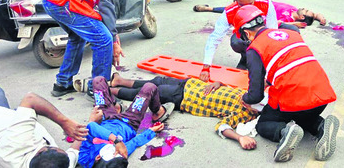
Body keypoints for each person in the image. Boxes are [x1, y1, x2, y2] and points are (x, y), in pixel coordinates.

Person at [232, 5, 339, 163]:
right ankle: (321, 127)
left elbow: (256, 95)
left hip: (295, 99)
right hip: (321, 95)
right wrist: (268, 80)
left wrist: (245, 98)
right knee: (303, 116)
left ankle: (285, 132)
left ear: (246, 33)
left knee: (264, 123)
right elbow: (290, 64)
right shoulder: (291, 33)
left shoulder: (254, 49)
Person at [106, 73, 260, 150]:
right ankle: (119, 81)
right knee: (158, 80)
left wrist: (240, 138)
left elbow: (222, 126)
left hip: (185, 97)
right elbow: (228, 87)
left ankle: (107, 91)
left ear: (253, 109)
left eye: (250, 101)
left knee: (147, 93)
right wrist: (218, 83)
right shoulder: (254, 94)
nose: (247, 98)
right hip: (192, 84)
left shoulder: (244, 114)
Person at [198, 0, 299, 80]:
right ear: (236, 0)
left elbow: (272, 30)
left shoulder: (266, 4)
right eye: (242, 5)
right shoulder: (229, 12)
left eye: (250, 4)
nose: (247, 8)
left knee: (293, 32)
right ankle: (245, 59)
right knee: (237, 42)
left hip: (265, 30)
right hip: (246, 36)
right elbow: (215, 38)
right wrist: (206, 67)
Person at [71, 76, 170, 168]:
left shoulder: (85, 158)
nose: (117, 149)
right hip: (129, 121)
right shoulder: (122, 152)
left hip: (106, 117)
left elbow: (91, 126)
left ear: (98, 157)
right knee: (150, 87)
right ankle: (158, 110)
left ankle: (115, 106)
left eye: (115, 151)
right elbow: (135, 142)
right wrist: (151, 131)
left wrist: (116, 140)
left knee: (98, 81)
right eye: (119, 153)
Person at [193, 1, 327, 27]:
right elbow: (315, 15)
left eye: (306, 10)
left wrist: (294, 24)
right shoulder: (294, 9)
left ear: (302, 17)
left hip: (256, 10)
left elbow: (276, 24)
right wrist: (321, 18)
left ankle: (209, 8)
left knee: (235, 9)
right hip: (262, 2)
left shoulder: (288, 18)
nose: (304, 8)